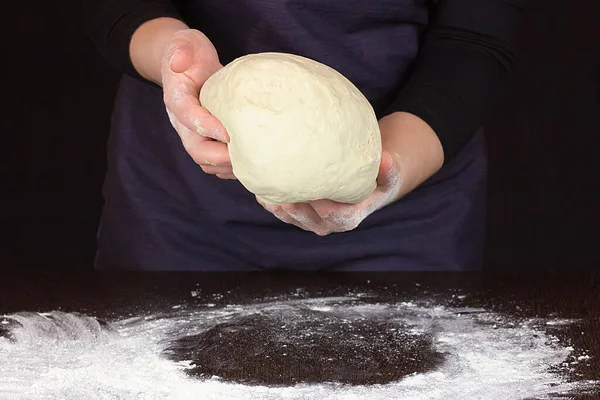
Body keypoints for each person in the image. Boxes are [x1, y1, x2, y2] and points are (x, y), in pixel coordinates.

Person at [82, 0, 525, 271]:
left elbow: (475, 36)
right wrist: (173, 55)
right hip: (181, 216)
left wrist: (391, 165)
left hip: (407, 218)